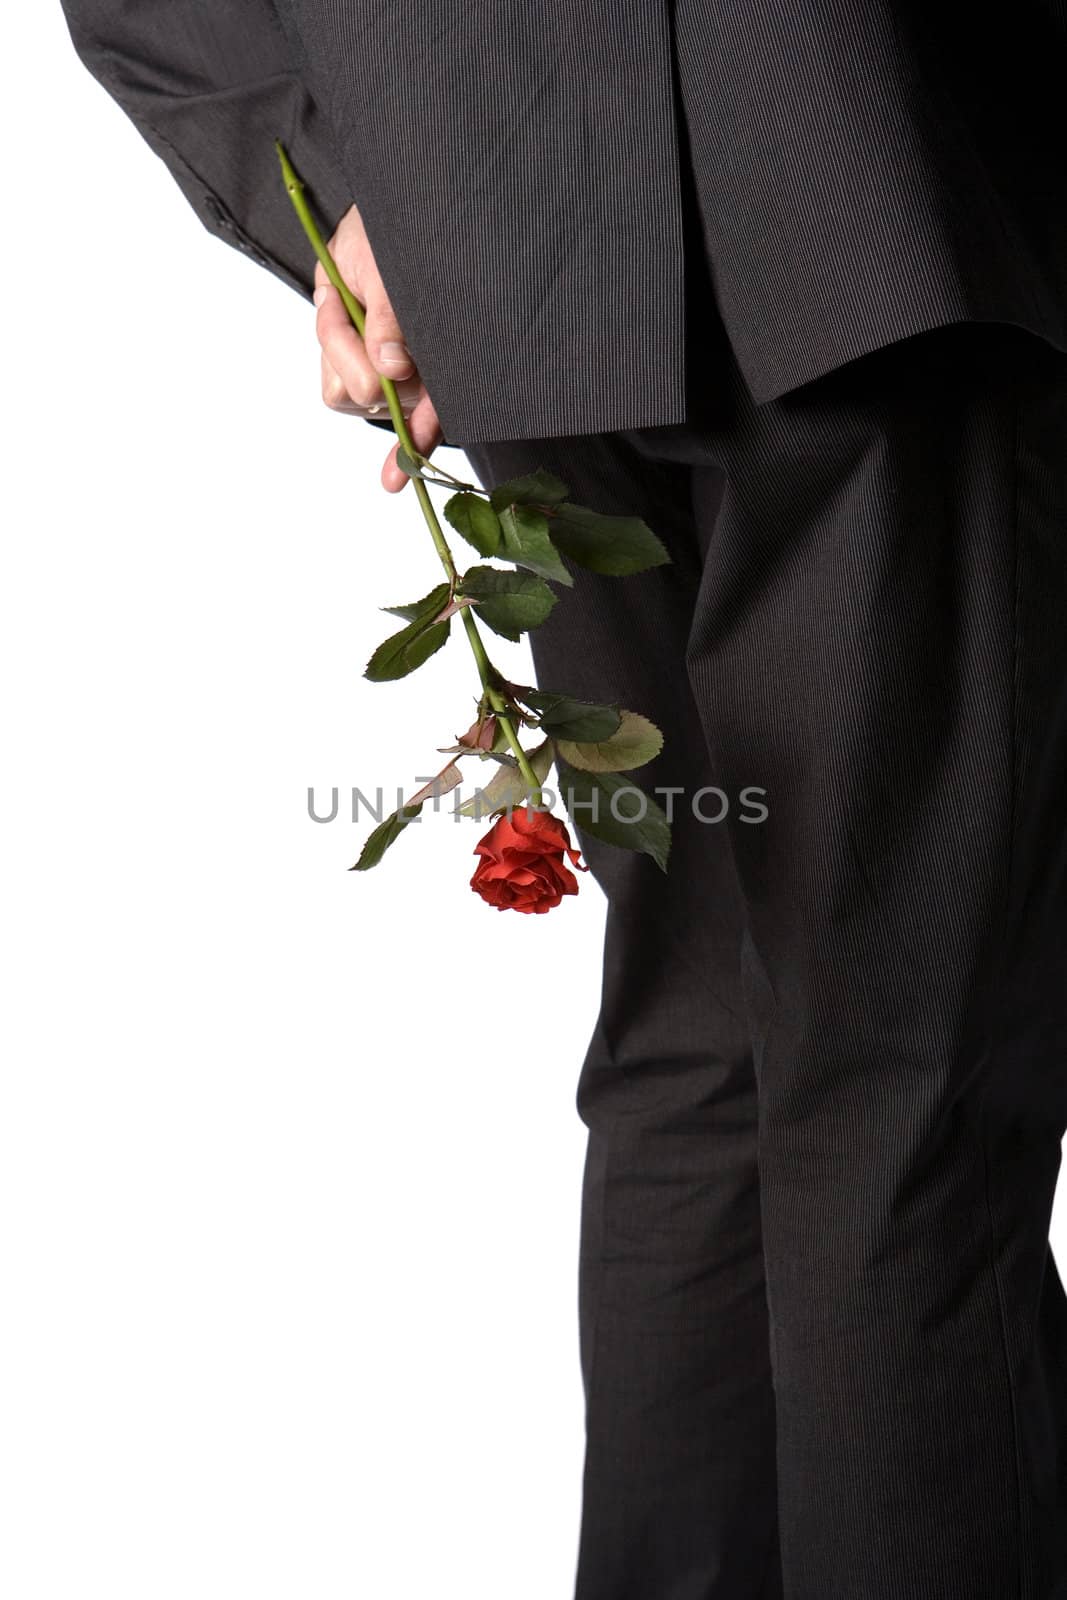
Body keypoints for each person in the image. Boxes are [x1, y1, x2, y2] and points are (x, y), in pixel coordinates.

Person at [59, 4, 1067, 1596]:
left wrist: (338, 181)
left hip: (509, 257)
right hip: (852, 176)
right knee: (891, 1079)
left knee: (704, 1041)